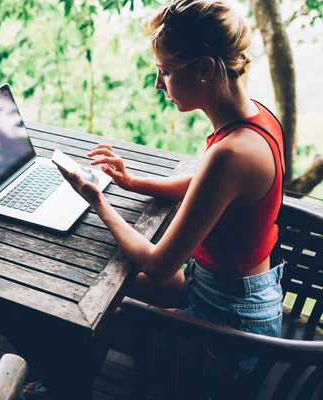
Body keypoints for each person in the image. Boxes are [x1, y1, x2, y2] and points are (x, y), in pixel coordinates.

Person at [56, 0, 286, 378]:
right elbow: (208, 186)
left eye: (164, 71)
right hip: (221, 287)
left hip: (231, 324)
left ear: (204, 70)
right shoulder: (256, 117)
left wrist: (98, 201)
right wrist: (133, 182)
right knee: (98, 295)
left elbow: (160, 265)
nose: (158, 83)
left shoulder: (231, 153)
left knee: (99, 316)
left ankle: (60, 385)